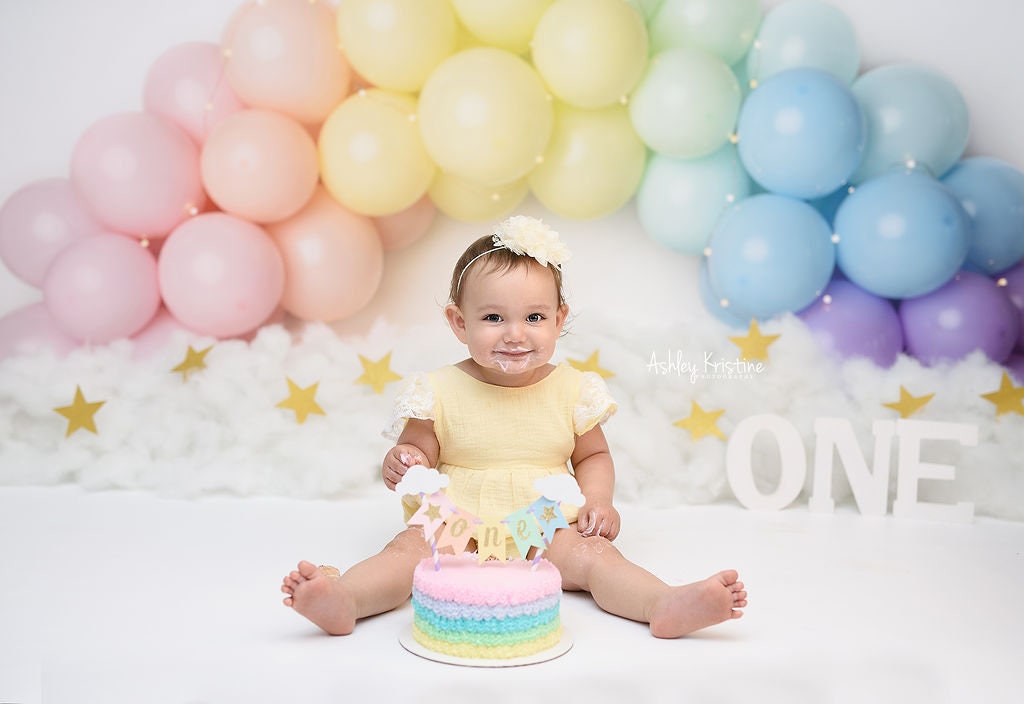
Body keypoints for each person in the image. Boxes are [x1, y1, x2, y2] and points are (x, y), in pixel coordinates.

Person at [281, 215, 747, 638]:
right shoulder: (437, 389)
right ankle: (346, 601)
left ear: (559, 319)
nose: (515, 333)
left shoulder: (572, 389)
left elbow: (592, 456)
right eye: (493, 318)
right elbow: (416, 451)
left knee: (595, 559)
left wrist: (599, 500)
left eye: (534, 317)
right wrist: (402, 461)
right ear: (459, 322)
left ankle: (661, 603)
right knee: (405, 552)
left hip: (543, 526)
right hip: (454, 523)